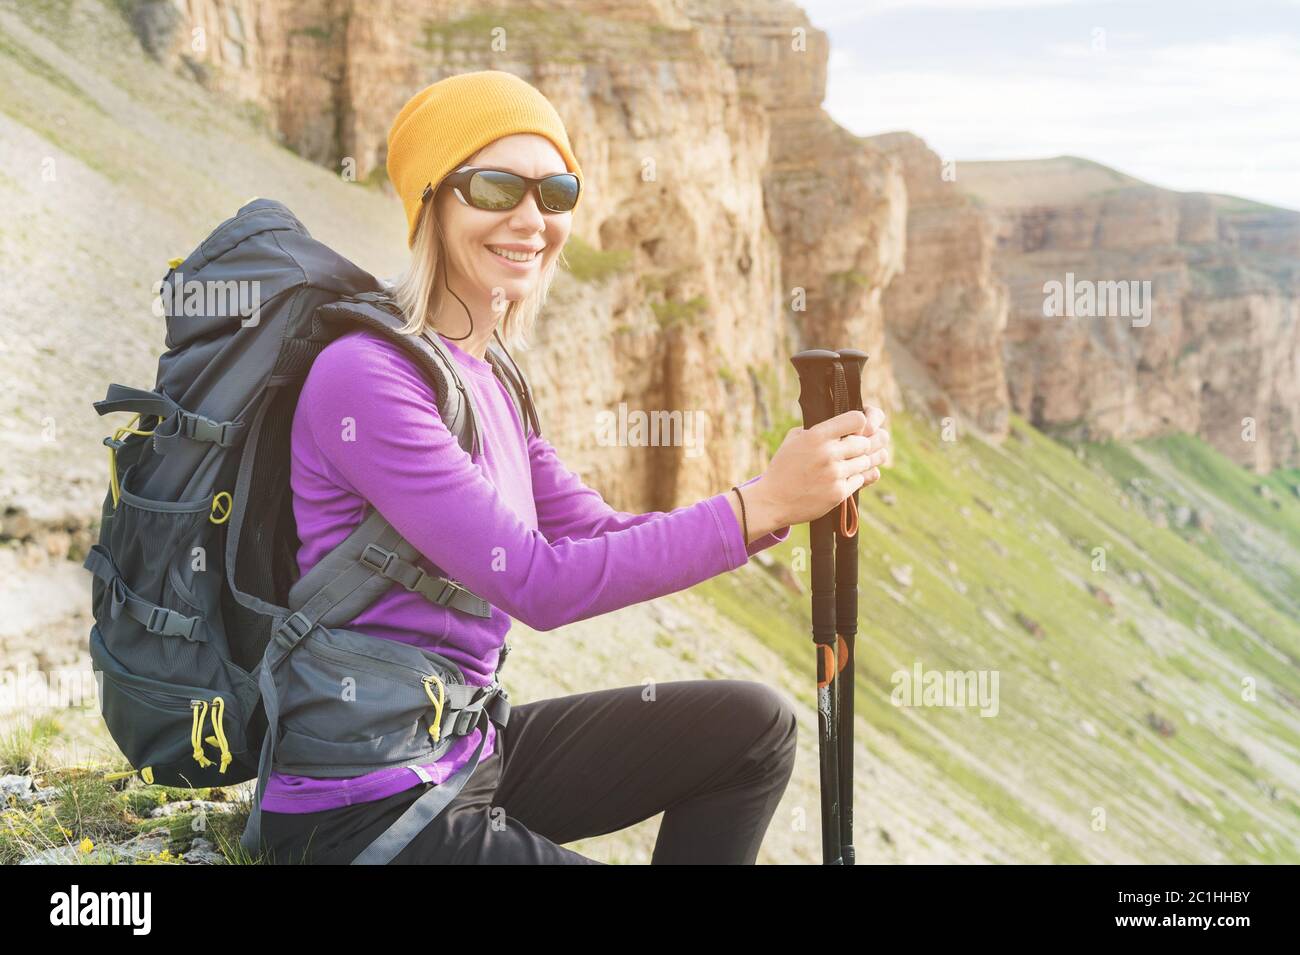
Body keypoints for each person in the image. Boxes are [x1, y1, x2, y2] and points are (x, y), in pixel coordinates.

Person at [256, 70, 890, 864]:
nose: (531, 219)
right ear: (432, 202)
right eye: (494, 187)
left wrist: (793, 496)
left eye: (554, 191)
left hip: (463, 751)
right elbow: (538, 581)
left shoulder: (493, 376)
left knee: (753, 727)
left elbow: (596, 531)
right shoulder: (366, 377)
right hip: (363, 804)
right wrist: (760, 502)